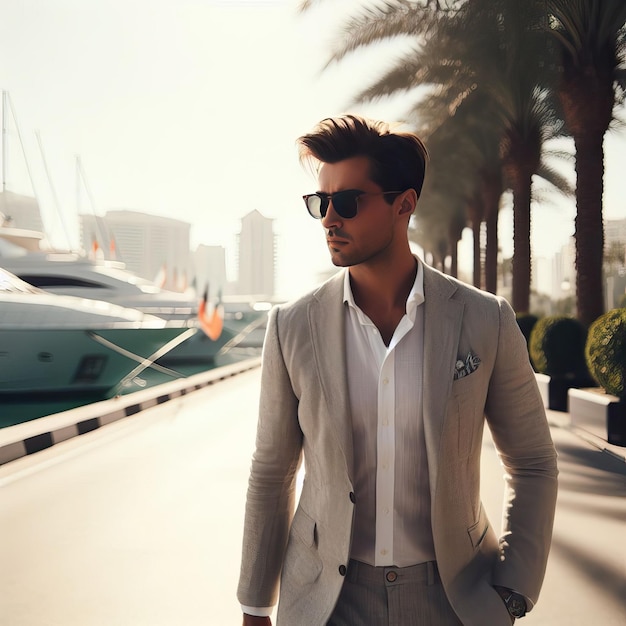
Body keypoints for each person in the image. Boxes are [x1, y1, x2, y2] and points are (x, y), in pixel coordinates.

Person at [237, 114, 558, 626]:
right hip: (328, 603)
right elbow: (273, 473)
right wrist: (255, 606)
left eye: (346, 202)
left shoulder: (483, 319)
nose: (328, 219)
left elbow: (534, 462)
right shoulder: (291, 327)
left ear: (403, 205)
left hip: (453, 597)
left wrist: (513, 591)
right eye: (320, 203)